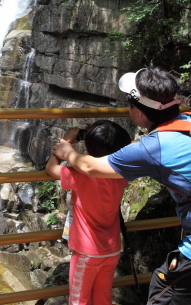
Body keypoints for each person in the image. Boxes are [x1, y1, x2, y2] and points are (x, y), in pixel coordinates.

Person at [52, 67, 191, 305]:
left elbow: (90, 168)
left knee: (162, 292)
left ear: (137, 111)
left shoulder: (153, 148)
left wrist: (67, 151)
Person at [46, 120, 132, 305]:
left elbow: (51, 169)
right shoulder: (120, 173)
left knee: (79, 301)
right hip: (112, 249)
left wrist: (66, 143)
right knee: (103, 298)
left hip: (87, 252)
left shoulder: (80, 176)